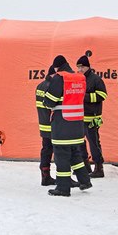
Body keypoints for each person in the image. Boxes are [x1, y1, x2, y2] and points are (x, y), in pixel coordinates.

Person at [43, 55, 92, 197]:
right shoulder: (80, 77)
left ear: (57, 67)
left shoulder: (59, 78)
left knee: (61, 156)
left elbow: (50, 101)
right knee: (75, 154)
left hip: (62, 123)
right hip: (77, 123)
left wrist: (47, 100)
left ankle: (63, 188)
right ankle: (85, 180)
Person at [76, 55, 108, 178]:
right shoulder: (79, 79)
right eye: (78, 67)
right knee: (80, 143)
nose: (79, 69)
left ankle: (99, 168)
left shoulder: (96, 79)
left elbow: (102, 95)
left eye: (81, 67)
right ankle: (85, 166)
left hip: (93, 118)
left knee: (94, 143)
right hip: (80, 117)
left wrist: (85, 97)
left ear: (87, 66)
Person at [35, 65, 56, 186]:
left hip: (44, 124)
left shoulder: (40, 85)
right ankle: (62, 177)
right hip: (53, 124)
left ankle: (45, 176)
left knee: (46, 150)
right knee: (58, 152)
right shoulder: (51, 86)